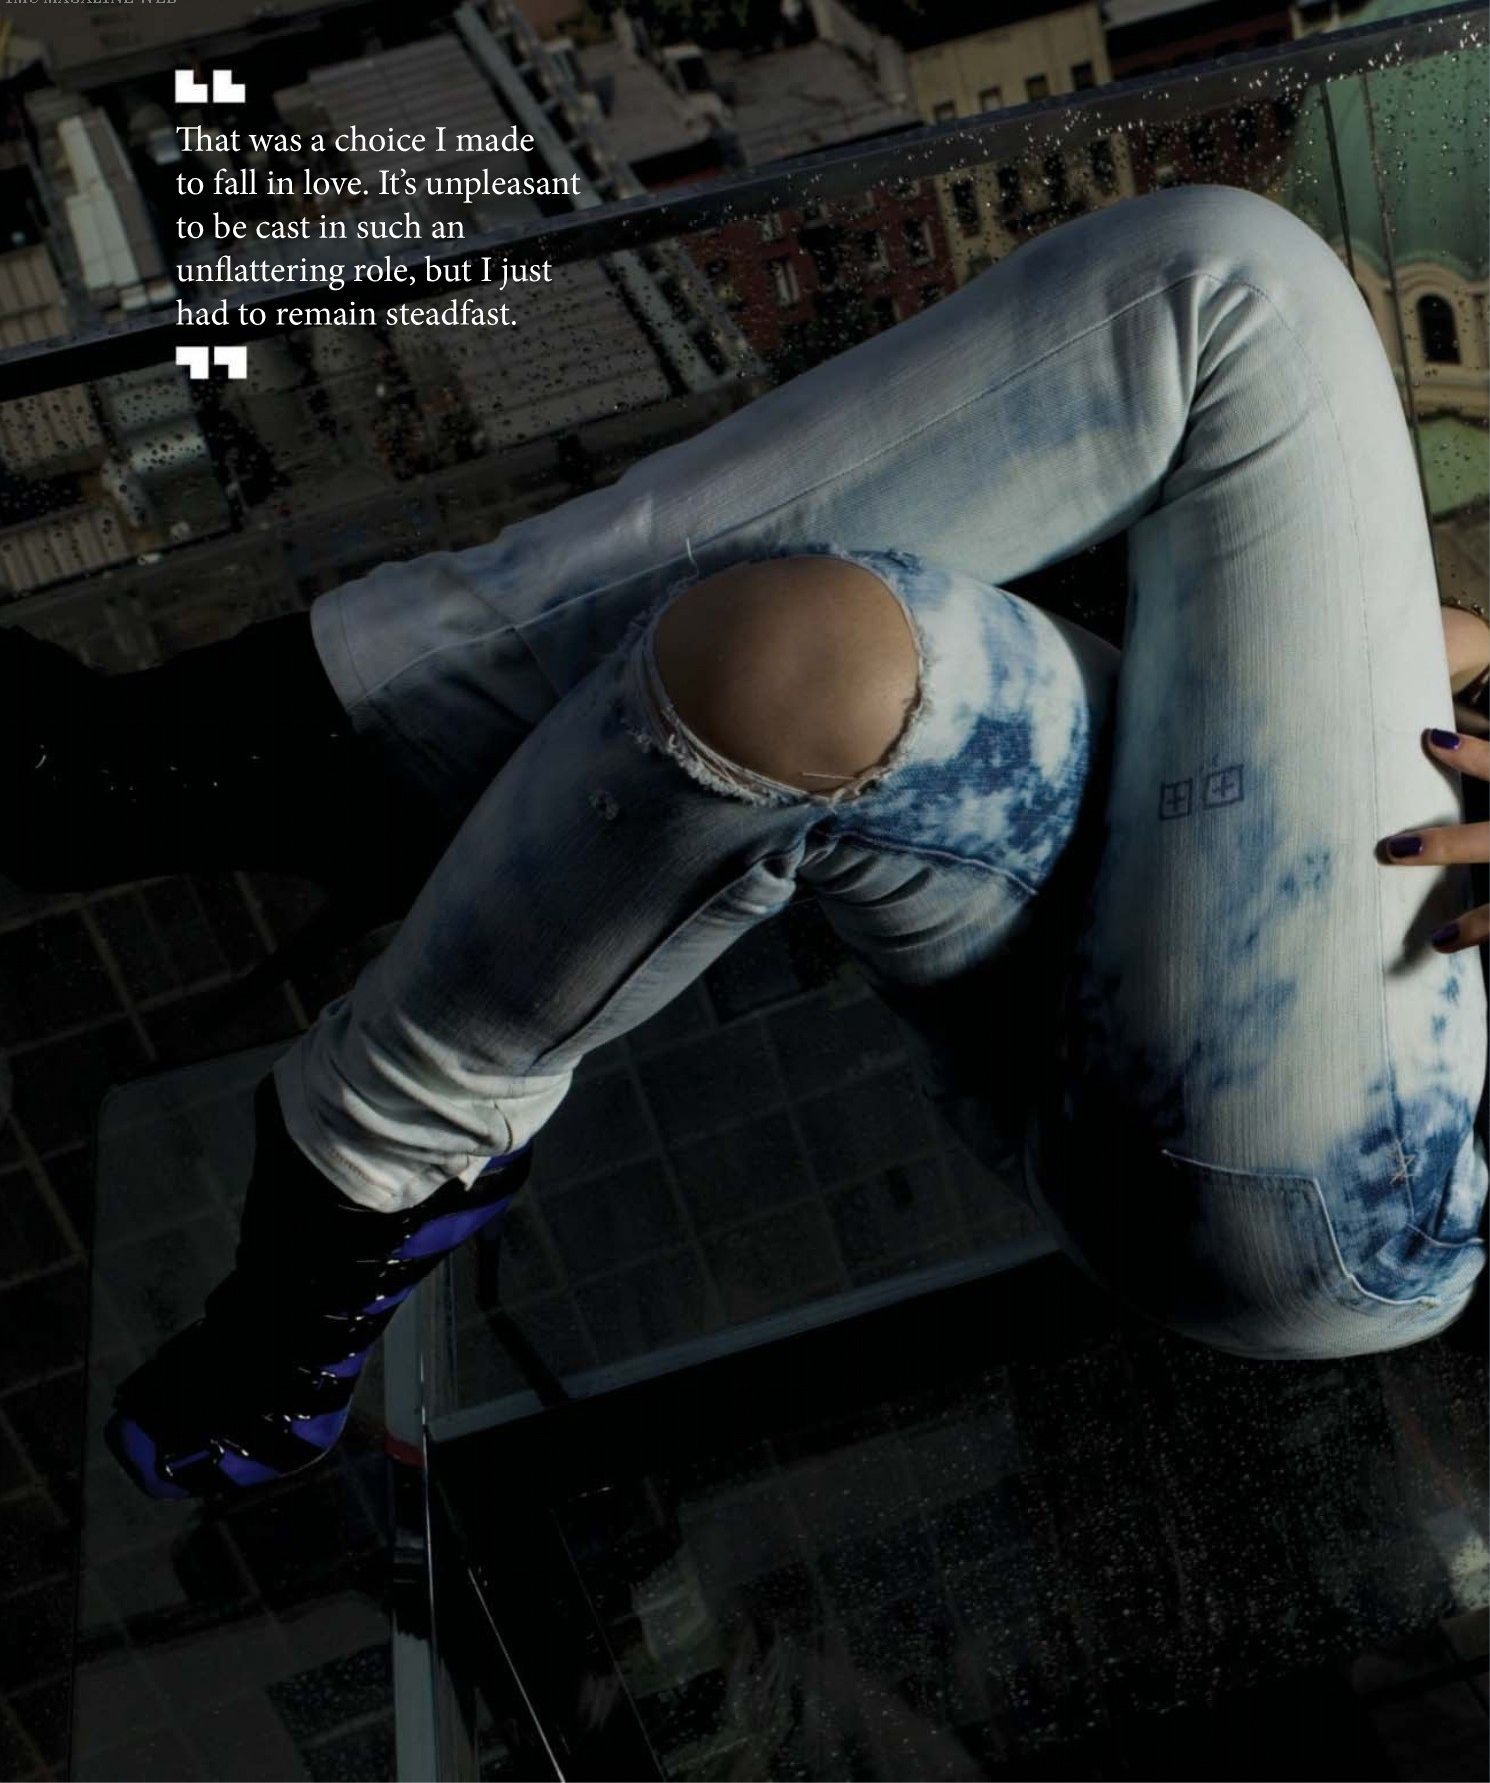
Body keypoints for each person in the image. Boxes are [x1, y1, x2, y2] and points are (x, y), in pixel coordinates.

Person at [4, 184, 1485, 1501]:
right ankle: (279, 777)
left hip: (1372, 1178)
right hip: (1170, 924)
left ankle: (371, 1092)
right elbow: (1413, 658)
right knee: (804, 663)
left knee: (1237, 293)